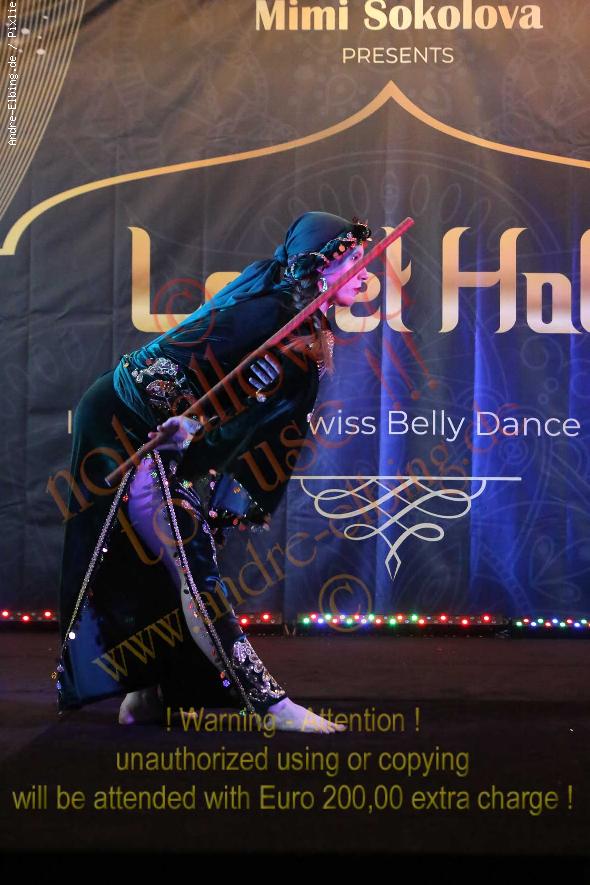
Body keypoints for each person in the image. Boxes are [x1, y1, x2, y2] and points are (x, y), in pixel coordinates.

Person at [55, 211, 371, 732]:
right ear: (318, 265)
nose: (365, 274)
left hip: (163, 433)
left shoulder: (306, 324)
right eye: (353, 260)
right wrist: (181, 418)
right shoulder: (270, 311)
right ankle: (271, 706)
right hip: (126, 423)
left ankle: (146, 695)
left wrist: (201, 434)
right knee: (189, 556)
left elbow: (253, 413)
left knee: (160, 555)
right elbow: (176, 362)